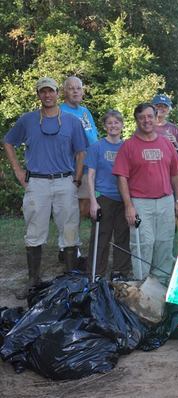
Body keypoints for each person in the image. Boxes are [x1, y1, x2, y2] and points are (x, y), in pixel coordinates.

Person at [3, 77, 86, 299]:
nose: (47, 95)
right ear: (38, 95)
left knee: (69, 230)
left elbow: (81, 152)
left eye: (51, 91)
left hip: (64, 181)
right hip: (37, 182)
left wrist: (77, 178)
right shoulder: (28, 120)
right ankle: (33, 280)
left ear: (58, 93)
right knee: (34, 231)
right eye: (43, 92)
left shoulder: (71, 121)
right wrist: (18, 171)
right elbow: (8, 141)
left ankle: (69, 279)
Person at [113, 103, 178, 285]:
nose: (146, 120)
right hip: (140, 203)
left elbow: (175, 174)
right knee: (143, 243)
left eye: (150, 116)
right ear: (136, 120)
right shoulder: (128, 146)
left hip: (166, 201)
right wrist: (129, 206)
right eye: (142, 117)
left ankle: (160, 283)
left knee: (165, 243)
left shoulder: (166, 143)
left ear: (155, 117)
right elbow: (121, 178)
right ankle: (142, 284)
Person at [86, 110, 132, 279]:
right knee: (101, 236)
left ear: (121, 125)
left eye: (116, 122)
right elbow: (90, 175)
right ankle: (96, 272)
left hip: (123, 198)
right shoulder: (97, 147)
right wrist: (92, 201)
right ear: (105, 126)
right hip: (103, 197)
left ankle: (120, 271)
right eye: (110, 123)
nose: (113, 126)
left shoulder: (127, 146)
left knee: (123, 235)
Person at [59, 76, 99, 263]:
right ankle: (67, 249)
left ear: (83, 91)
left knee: (82, 209)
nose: (75, 91)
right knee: (70, 210)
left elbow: (93, 136)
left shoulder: (85, 112)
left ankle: (70, 245)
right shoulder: (60, 111)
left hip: (88, 168)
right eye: (71, 88)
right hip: (70, 168)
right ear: (64, 91)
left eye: (78, 88)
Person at [152, 94, 178, 158]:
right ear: (152, 108)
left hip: (168, 166)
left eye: (164, 106)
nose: (161, 108)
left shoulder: (173, 128)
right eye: (158, 105)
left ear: (168, 110)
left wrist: (176, 143)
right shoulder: (146, 127)